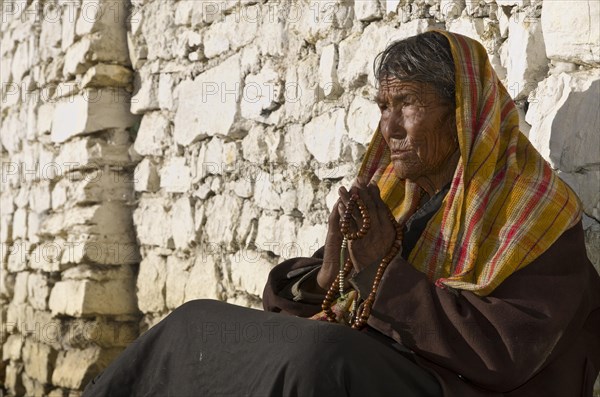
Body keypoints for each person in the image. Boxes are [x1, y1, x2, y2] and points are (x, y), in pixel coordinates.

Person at [83, 31, 600, 397]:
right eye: (382, 107)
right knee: (195, 323)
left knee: (319, 359)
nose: (389, 128)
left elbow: (509, 352)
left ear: (461, 112)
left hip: (457, 384)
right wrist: (332, 268)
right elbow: (328, 300)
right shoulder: (400, 196)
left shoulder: (532, 211)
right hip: (378, 359)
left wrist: (380, 273)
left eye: (407, 105)